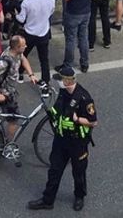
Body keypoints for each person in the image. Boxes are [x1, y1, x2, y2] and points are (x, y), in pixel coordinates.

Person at [28, 64, 98, 212]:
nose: (58, 82)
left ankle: (79, 196)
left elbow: (93, 122)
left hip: (77, 142)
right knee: (54, 170)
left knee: (78, 172)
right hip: (61, 140)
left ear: (67, 81)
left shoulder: (84, 97)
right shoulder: (63, 92)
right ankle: (48, 200)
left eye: (60, 79)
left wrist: (78, 119)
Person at [0, 36, 38, 143]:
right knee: (13, 121)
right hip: (6, 94)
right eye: (23, 45)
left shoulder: (15, 52)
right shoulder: (6, 61)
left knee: (2, 116)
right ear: (17, 47)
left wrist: (31, 74)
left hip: (10, 91)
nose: (26, 46)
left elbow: (23, 58)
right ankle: (9, 144)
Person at [61, 0, 97, 73]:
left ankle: (68, 65)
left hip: (73, 13)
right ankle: (84, 63)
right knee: (83, 37)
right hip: (86, 11)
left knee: (71, 39)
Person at [20, 0, 55, 83]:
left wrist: (15, 15)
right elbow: (51, 12)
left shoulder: (27, 0)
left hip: (29, 32)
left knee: (23, 54)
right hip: (43, 32)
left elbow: (21, 19)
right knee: (44, 59)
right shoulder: (51, 0)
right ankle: (46, 82)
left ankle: (20, 72)